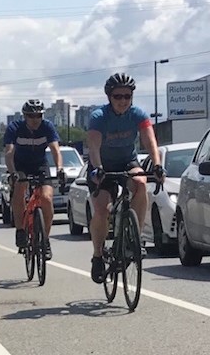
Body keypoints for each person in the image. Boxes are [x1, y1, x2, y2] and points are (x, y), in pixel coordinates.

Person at [86, 72, 166, 284]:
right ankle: (97, 254)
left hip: (127, 162)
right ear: (109, 97)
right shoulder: (99, 117)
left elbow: (150, 142)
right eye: (118, 96)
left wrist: (157, 165)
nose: (123, 101)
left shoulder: (138, 114)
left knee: (140, 182)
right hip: (101, 166)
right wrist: (98, 168)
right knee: (102, 209)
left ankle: (135, 239)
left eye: (127, 96)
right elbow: (93, 146)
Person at [3, 99, 66, 260]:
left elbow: (55, 150)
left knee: (46, 198)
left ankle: (45, 240)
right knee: (20, 188)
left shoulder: (47, 127)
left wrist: (59, 168)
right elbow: (9, 153)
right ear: (24, 116)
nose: (35, 119)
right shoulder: (15, 128)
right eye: (31, 116)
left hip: (40, 165)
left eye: (38, 115)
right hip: (20, 166)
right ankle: (20, 231)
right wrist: (13, 172)